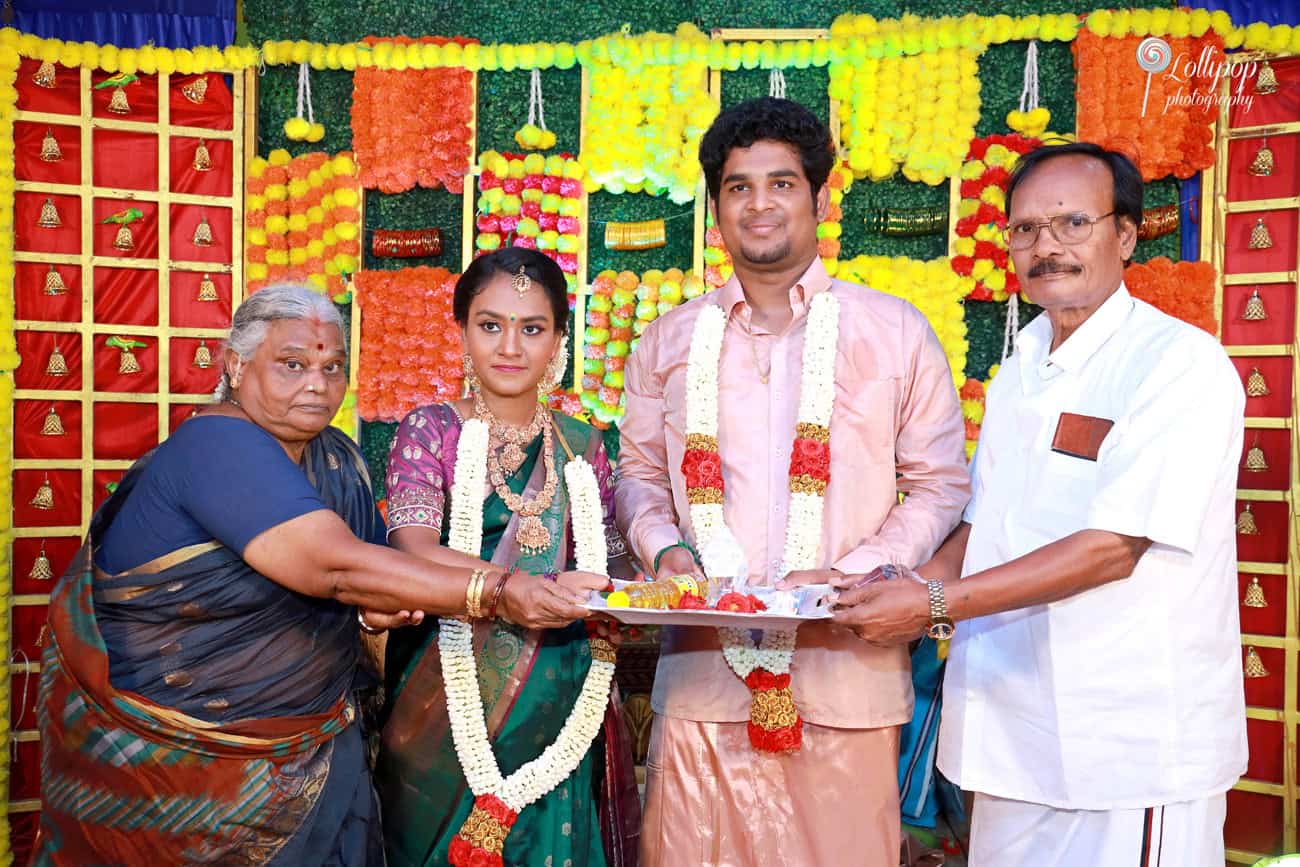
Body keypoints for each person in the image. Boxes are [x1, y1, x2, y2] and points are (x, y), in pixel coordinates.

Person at [34, 284, 600, 866]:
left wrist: (375, 605)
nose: (317, 383)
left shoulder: (336, 456)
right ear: (236, 364)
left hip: (316, 756)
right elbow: (332, 564)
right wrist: (503, 592)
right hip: (187, 772)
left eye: (333, 367)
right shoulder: (215, 444)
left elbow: (375, 570)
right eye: (293, 364)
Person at [832, 142, 1247, 866]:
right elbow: (982, 520)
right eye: (1024, 229)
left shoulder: (1177, 363)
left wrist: (933, 602)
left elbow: (1114, 546)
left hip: (1124, 744)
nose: (1044, 247)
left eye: (1071, 224)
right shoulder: (1021, 368)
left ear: (1125, 234)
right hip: (1010, 736)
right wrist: (908, 578)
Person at [614, 97, 970, 866]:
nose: (760, 203)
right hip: (706, 678)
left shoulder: (896, 331)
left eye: (781, 183)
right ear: (716, 208)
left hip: (846, 678)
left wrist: (848, 577)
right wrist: (667, 550)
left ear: (820, 199)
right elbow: (639, 474)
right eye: (739, 187)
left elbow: (941, 486)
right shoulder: (669, 340)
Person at [375, 248, 640, 867]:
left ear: (558, 341)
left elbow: (609, 561)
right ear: (462, 331)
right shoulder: (429, 431)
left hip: (559, 698)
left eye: (532, 328)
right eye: (490, 325)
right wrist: (513, 585)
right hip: (442, 695)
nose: (510, 347)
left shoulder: (584, 446)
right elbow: (412, 550)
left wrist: (621, 582)